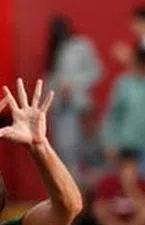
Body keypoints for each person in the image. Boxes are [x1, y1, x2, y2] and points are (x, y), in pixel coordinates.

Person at [46, 16, 103, 180]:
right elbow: (50, 80)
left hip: (81, 108)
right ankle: (72, 187)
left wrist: (74, 84)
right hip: (62, 111)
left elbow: (96, 71)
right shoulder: (54, 50)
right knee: (65, 151)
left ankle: (90, 188)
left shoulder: (81, 46)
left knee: (91, 150)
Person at [104, 47, 145, 181]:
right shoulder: (124, 84)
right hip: (126, 144)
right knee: (126, 181)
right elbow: (114, 115)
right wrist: (110, 142)